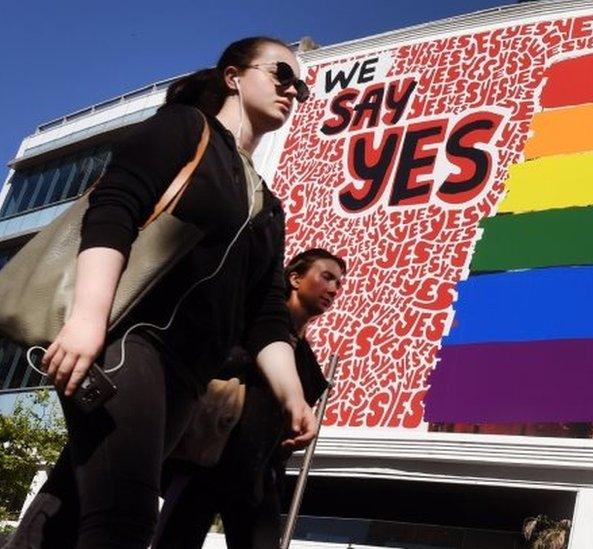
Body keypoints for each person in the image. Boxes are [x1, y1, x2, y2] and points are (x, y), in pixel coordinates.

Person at [4, 36, 317, 549]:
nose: (292, 90)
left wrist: (291, 394)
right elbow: (115, 210)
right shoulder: (185, 128)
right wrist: (87, 318)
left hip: (188, 381)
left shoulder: (269, 207)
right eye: (281, 74)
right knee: (125, 518)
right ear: (233, 77)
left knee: (70, 507)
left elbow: (265, 315)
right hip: (128, 340)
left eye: (300, 87)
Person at [152, 248, 346, 549]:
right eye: (327, 277)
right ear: (295, 278)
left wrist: (277, 463)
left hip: (256, 478)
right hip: (203, 461)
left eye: (340, 283)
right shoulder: (240, 326)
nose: (335, 289)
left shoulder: (309, 369)